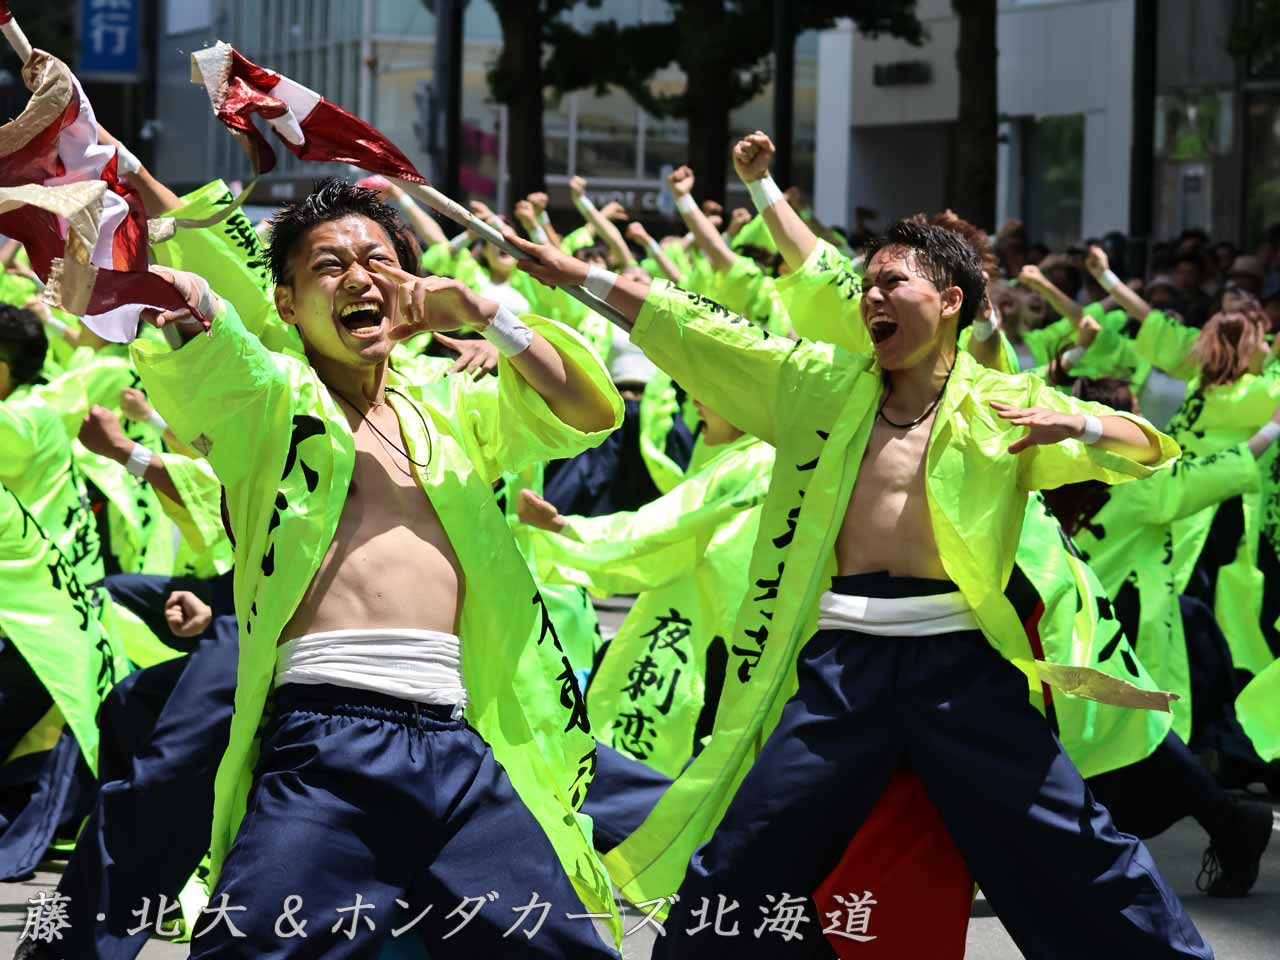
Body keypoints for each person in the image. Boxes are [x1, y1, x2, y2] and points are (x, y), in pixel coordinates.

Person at [508, 209, 1209, 957]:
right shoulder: (819, 386)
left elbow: (1149, 447)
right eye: (866, 283)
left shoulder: (1002, 405)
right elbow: (703, 331)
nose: (872, 296)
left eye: (893, 281)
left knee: (1074, 844)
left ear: (950, 302)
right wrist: (582, 274)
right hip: (841, 667)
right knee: (744, 855)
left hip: (961, 666)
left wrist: (1082, 429)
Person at [127, 178, 624, 958]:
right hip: (326, 745)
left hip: (459, 746)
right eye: (328, 267)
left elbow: (587, 413)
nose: (359, 278)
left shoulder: (446, 400)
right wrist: (175, 289)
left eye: (378, 260)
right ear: (286, 305)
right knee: (250, 947)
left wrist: (490, 314)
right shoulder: (274, 400)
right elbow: (210, 330)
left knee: (566, 948)